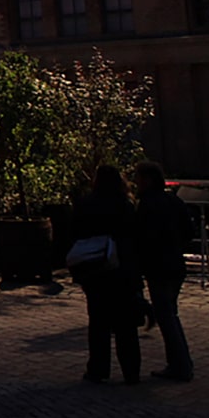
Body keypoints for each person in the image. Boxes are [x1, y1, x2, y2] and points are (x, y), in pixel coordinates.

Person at [71, 164, 143, 385]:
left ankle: (98, 369)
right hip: (122, 269)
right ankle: (131, 371)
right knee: (126, 326)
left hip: (95, 269)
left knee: (99, 322)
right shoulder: (125, 205)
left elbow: (75, 232)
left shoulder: (86, 204)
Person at [133, 160, 195, 381]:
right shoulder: (173, 201)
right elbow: (189, 232)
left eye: (138, 177)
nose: (136, 182)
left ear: (147, 180)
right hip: (175, 264)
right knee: (171, 312)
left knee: (166, 315)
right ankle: (181, 361)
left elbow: (142, 237)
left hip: (157, 265)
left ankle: (180, 364)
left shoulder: (147, 204)